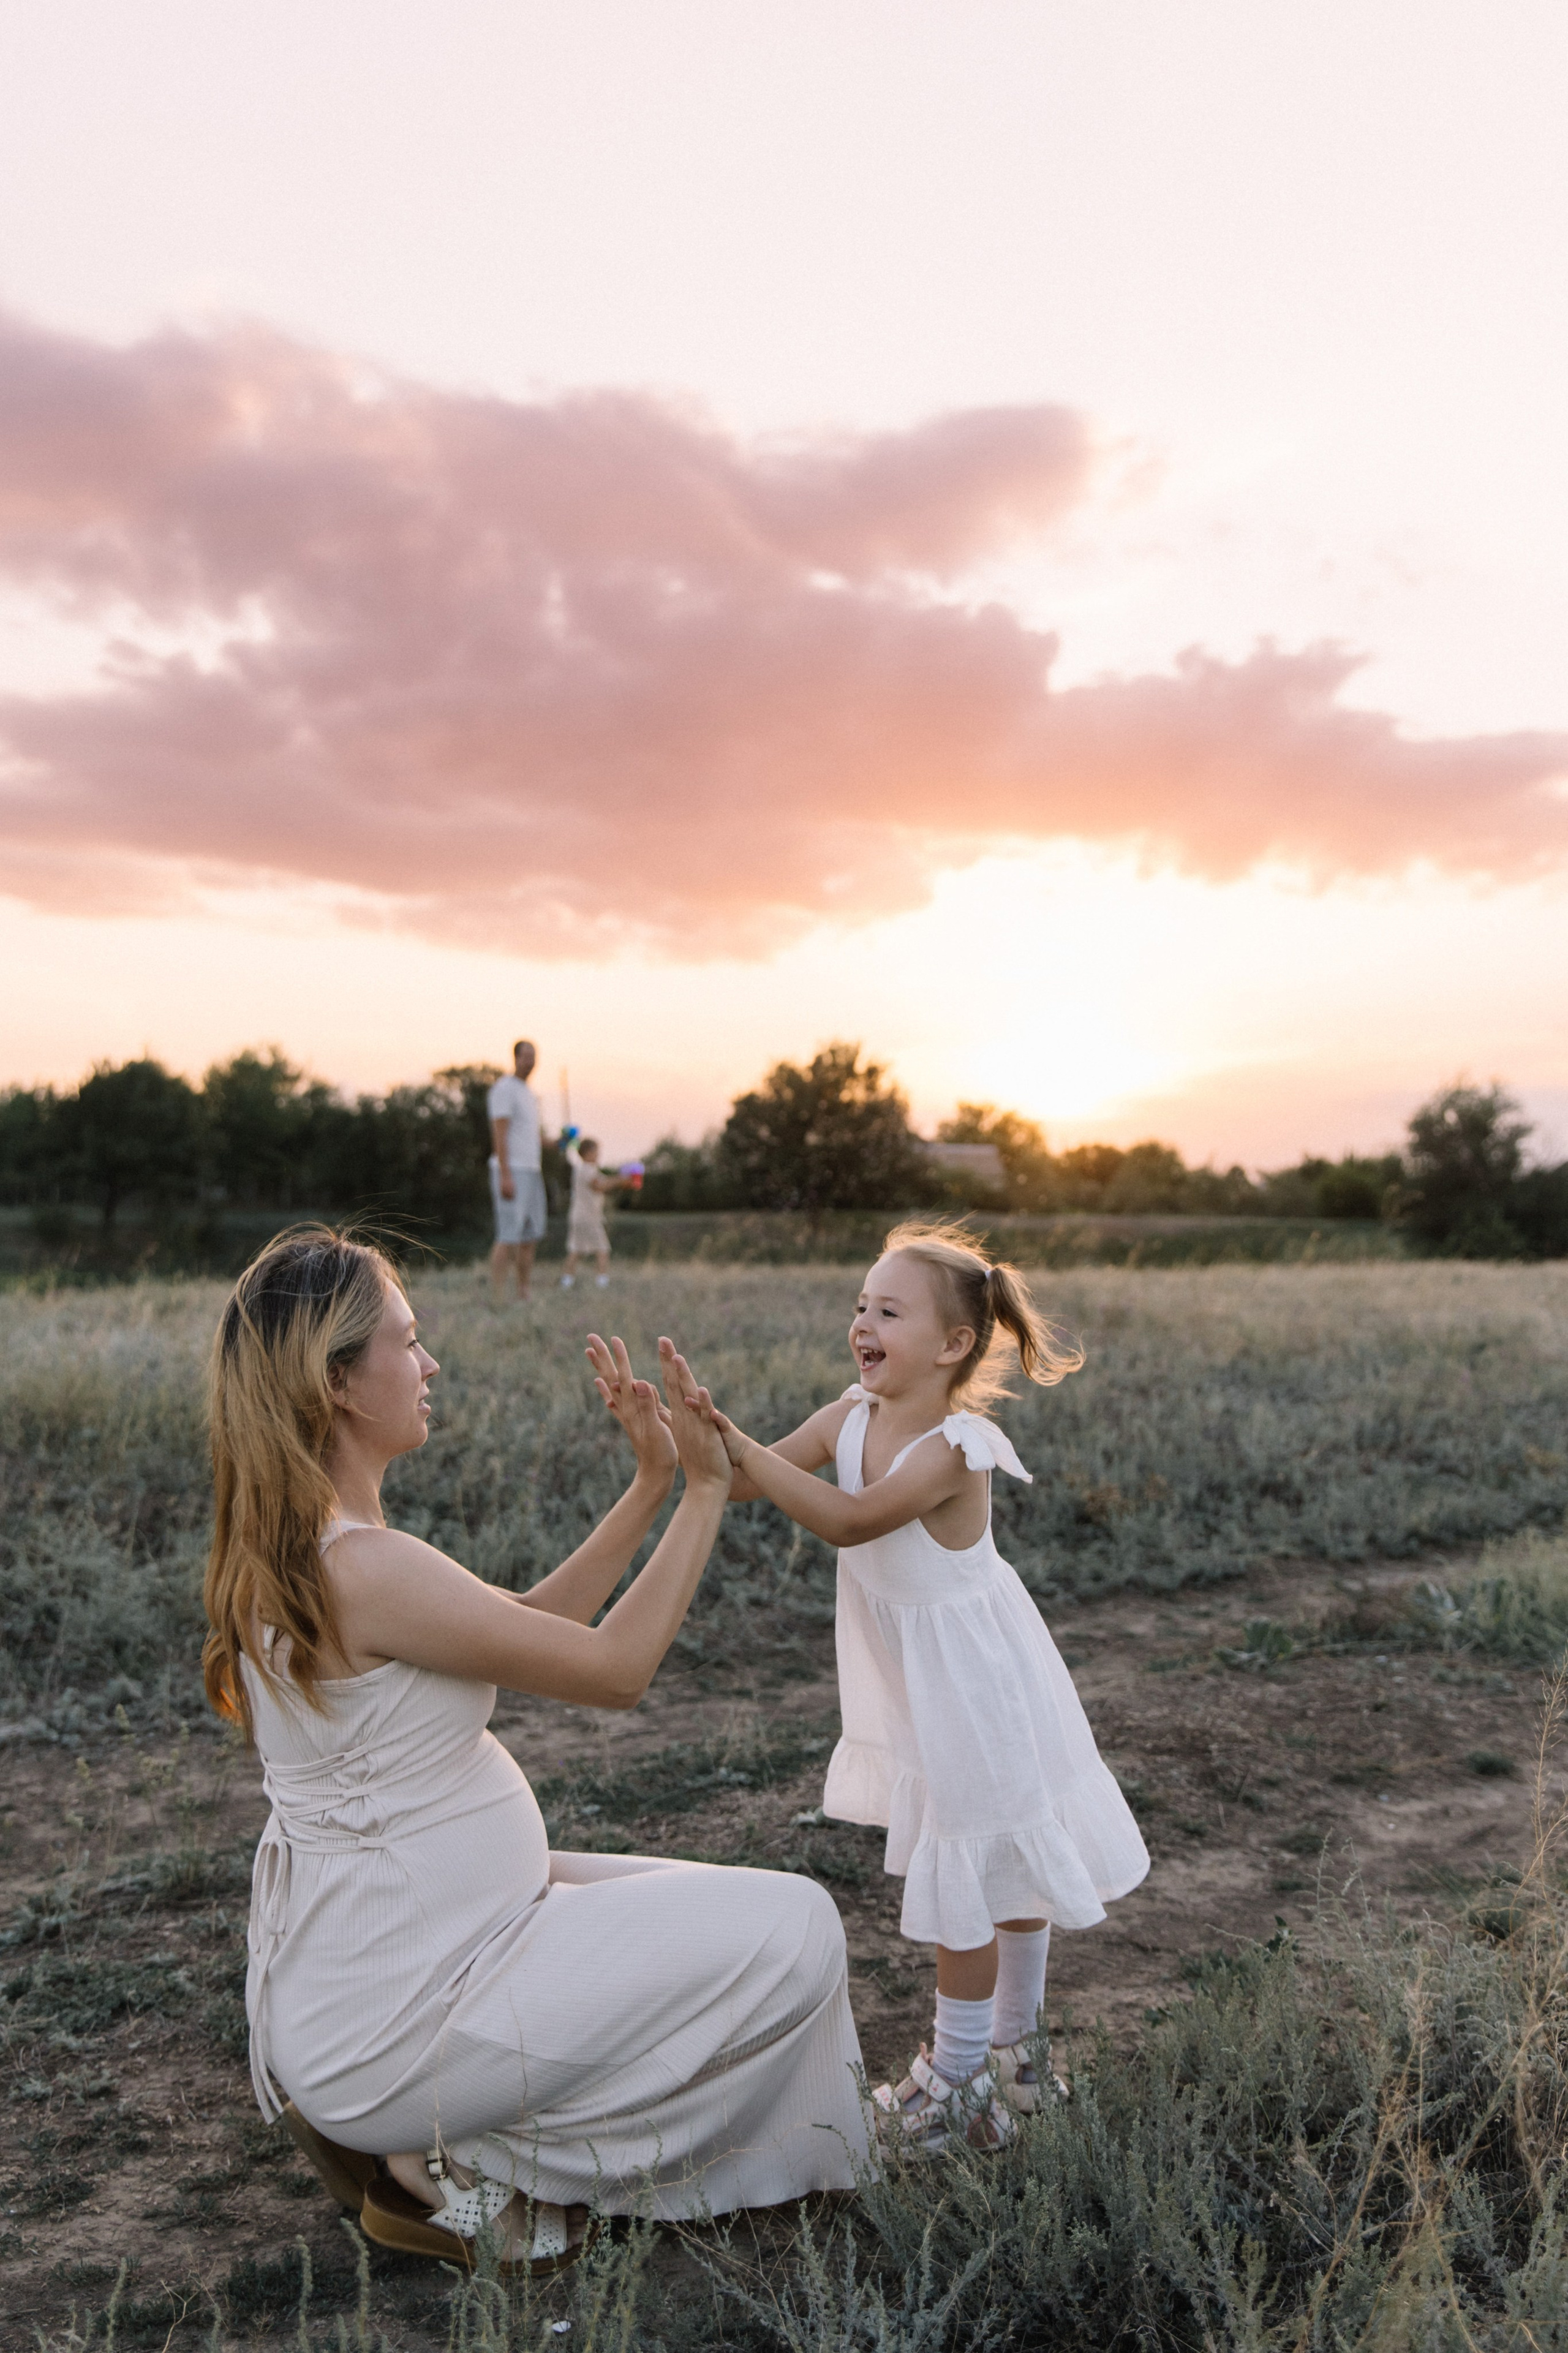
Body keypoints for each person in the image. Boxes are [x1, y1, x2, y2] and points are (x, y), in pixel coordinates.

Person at [204, 1229, 869, 2276]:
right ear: (337, 1381)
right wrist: (704, 1493)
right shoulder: (365, 1565)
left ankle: (432, 2140)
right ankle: (462, 2156)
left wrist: (649, 1483)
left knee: (750, 1912)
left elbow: (530, 1627)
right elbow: (614, 1671)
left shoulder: (320, 1547)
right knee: (799, 1928)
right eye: (407, 1343)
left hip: (405, 1968)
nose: (429, 1367)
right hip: (404, 2007)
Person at [688, 1219, 1149, 2154]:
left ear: (953, 1344)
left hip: (977, 1681)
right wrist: (692, 1437)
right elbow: (750, 1484)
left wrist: (740, 1444)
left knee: (978, 1867)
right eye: (861, 1305)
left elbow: (852, 1521)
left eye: (888, 1310)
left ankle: (964, 2074)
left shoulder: (955, 1445)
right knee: (993, 1852)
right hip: (925, 1680)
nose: (864, 1322)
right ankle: (1014, 2057)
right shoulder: (844, 1417)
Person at [488, 1041, 547, 1302]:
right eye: (526, 1056)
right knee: (508, 1235)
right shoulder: (504, 1089)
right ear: (515, 1058)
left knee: (529, 1236)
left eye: (534, 1057)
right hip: (513, 1171)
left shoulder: (529, 1093)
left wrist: (558, 1143)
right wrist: (505, 1175)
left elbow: (530, 1137)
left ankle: (524, 1292)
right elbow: (499, 1133)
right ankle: (497, 1295)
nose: (530, 1061)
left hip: (533, 1170)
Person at [560, 1138, 625, 1290]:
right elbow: (599, 1186)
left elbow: (605, 1180)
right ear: (588, 1153)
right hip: (588, 1217)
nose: (598, 1156)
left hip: (579, 1216)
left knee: (576, 1249)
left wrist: (621, 1180)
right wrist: (621, 1181)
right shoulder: (587, 1169)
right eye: (596, 1152)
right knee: (602, 1248)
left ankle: (567, 1281)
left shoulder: (582, 1169)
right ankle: (602, 1282)